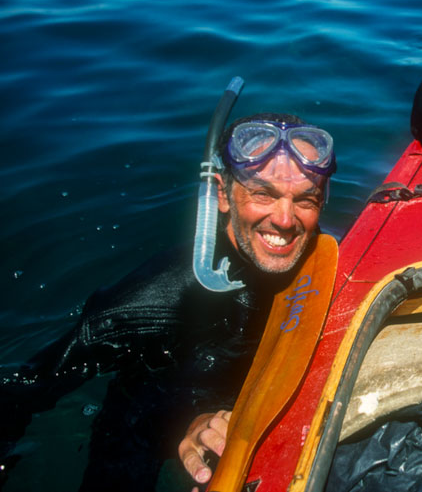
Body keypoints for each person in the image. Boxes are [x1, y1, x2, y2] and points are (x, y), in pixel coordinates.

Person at [0, 111, 337, 492]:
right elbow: (23, 390)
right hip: (140, 424)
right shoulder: (153, 300)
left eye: (305, 200)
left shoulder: (319, 263)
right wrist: (190, 423)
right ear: (222, 194)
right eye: (263, 194)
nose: (285, 220)